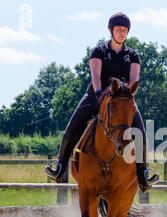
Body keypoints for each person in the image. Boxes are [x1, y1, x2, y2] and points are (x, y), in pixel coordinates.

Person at [45, 12, 159, 192]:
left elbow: (133, 80)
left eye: (125, 30)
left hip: (122, 99)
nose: (122, 33)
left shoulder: (133, 55)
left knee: (141, 133)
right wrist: (99, 95)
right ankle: (59, 167)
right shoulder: (99, 51)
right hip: (96, 95)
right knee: (71, 128)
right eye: (118, 29)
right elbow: (96, 75)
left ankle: (143, 173)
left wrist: (126, 97)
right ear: (110, 30)